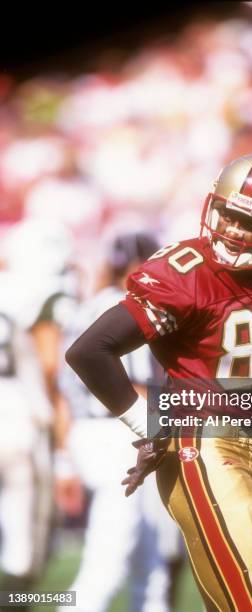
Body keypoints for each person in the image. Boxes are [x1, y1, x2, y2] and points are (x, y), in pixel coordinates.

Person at [66, 153, 252, 611]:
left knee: (238, 592)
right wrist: (146, 425)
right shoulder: (183, 273)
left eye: (251, 223)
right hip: (200, 443)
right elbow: (89, 350)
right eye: (228, 214)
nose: (233, 230)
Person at [57, 231, 182, 612]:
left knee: (152, 559)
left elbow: (62, 391)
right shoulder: (127, 307)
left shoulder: (87, 304)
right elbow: (139, 388)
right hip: (121, 433)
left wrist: (64, 457)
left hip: (87, 431)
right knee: (109, 565)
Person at [0, 219, 77, 612]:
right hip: (20, 421)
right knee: (27, 544)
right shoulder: (43, 298)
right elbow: (51, 366)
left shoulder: (9, 289)